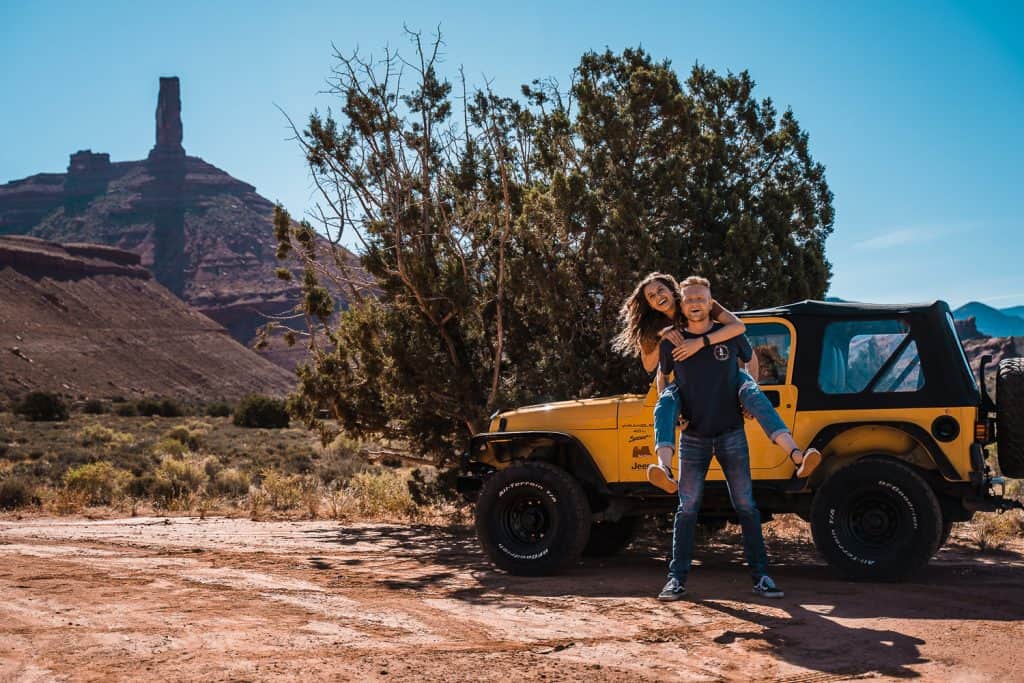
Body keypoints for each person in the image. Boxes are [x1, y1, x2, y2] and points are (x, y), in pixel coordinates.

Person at [612, 272, 820, 493]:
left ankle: (798, 456)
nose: (657, 297)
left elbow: (738, 327)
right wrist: (664, 335)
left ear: (672, 289)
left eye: (661, 290)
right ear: (649, 304)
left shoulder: (697, 302)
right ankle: (664, 469)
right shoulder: (652, 328)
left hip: (724, 377)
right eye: (651, 296)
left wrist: (700, 342)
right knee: (665, 404)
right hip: (686, 383)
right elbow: (651, 366)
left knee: (751, 392)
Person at [655, 276, 784, 600]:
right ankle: (676, 579)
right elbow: (663, 377)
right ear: (682, 305)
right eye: (689, 299)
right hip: (694, 437)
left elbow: (750, 359)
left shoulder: (729, 333)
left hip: (731, 433)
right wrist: (674, 413)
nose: (695, 303)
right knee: (687, 508)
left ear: (711, 302)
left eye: (701, 297)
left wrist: (747, 394)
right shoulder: (672, 340)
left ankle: (762, 576)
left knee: (746, 506)